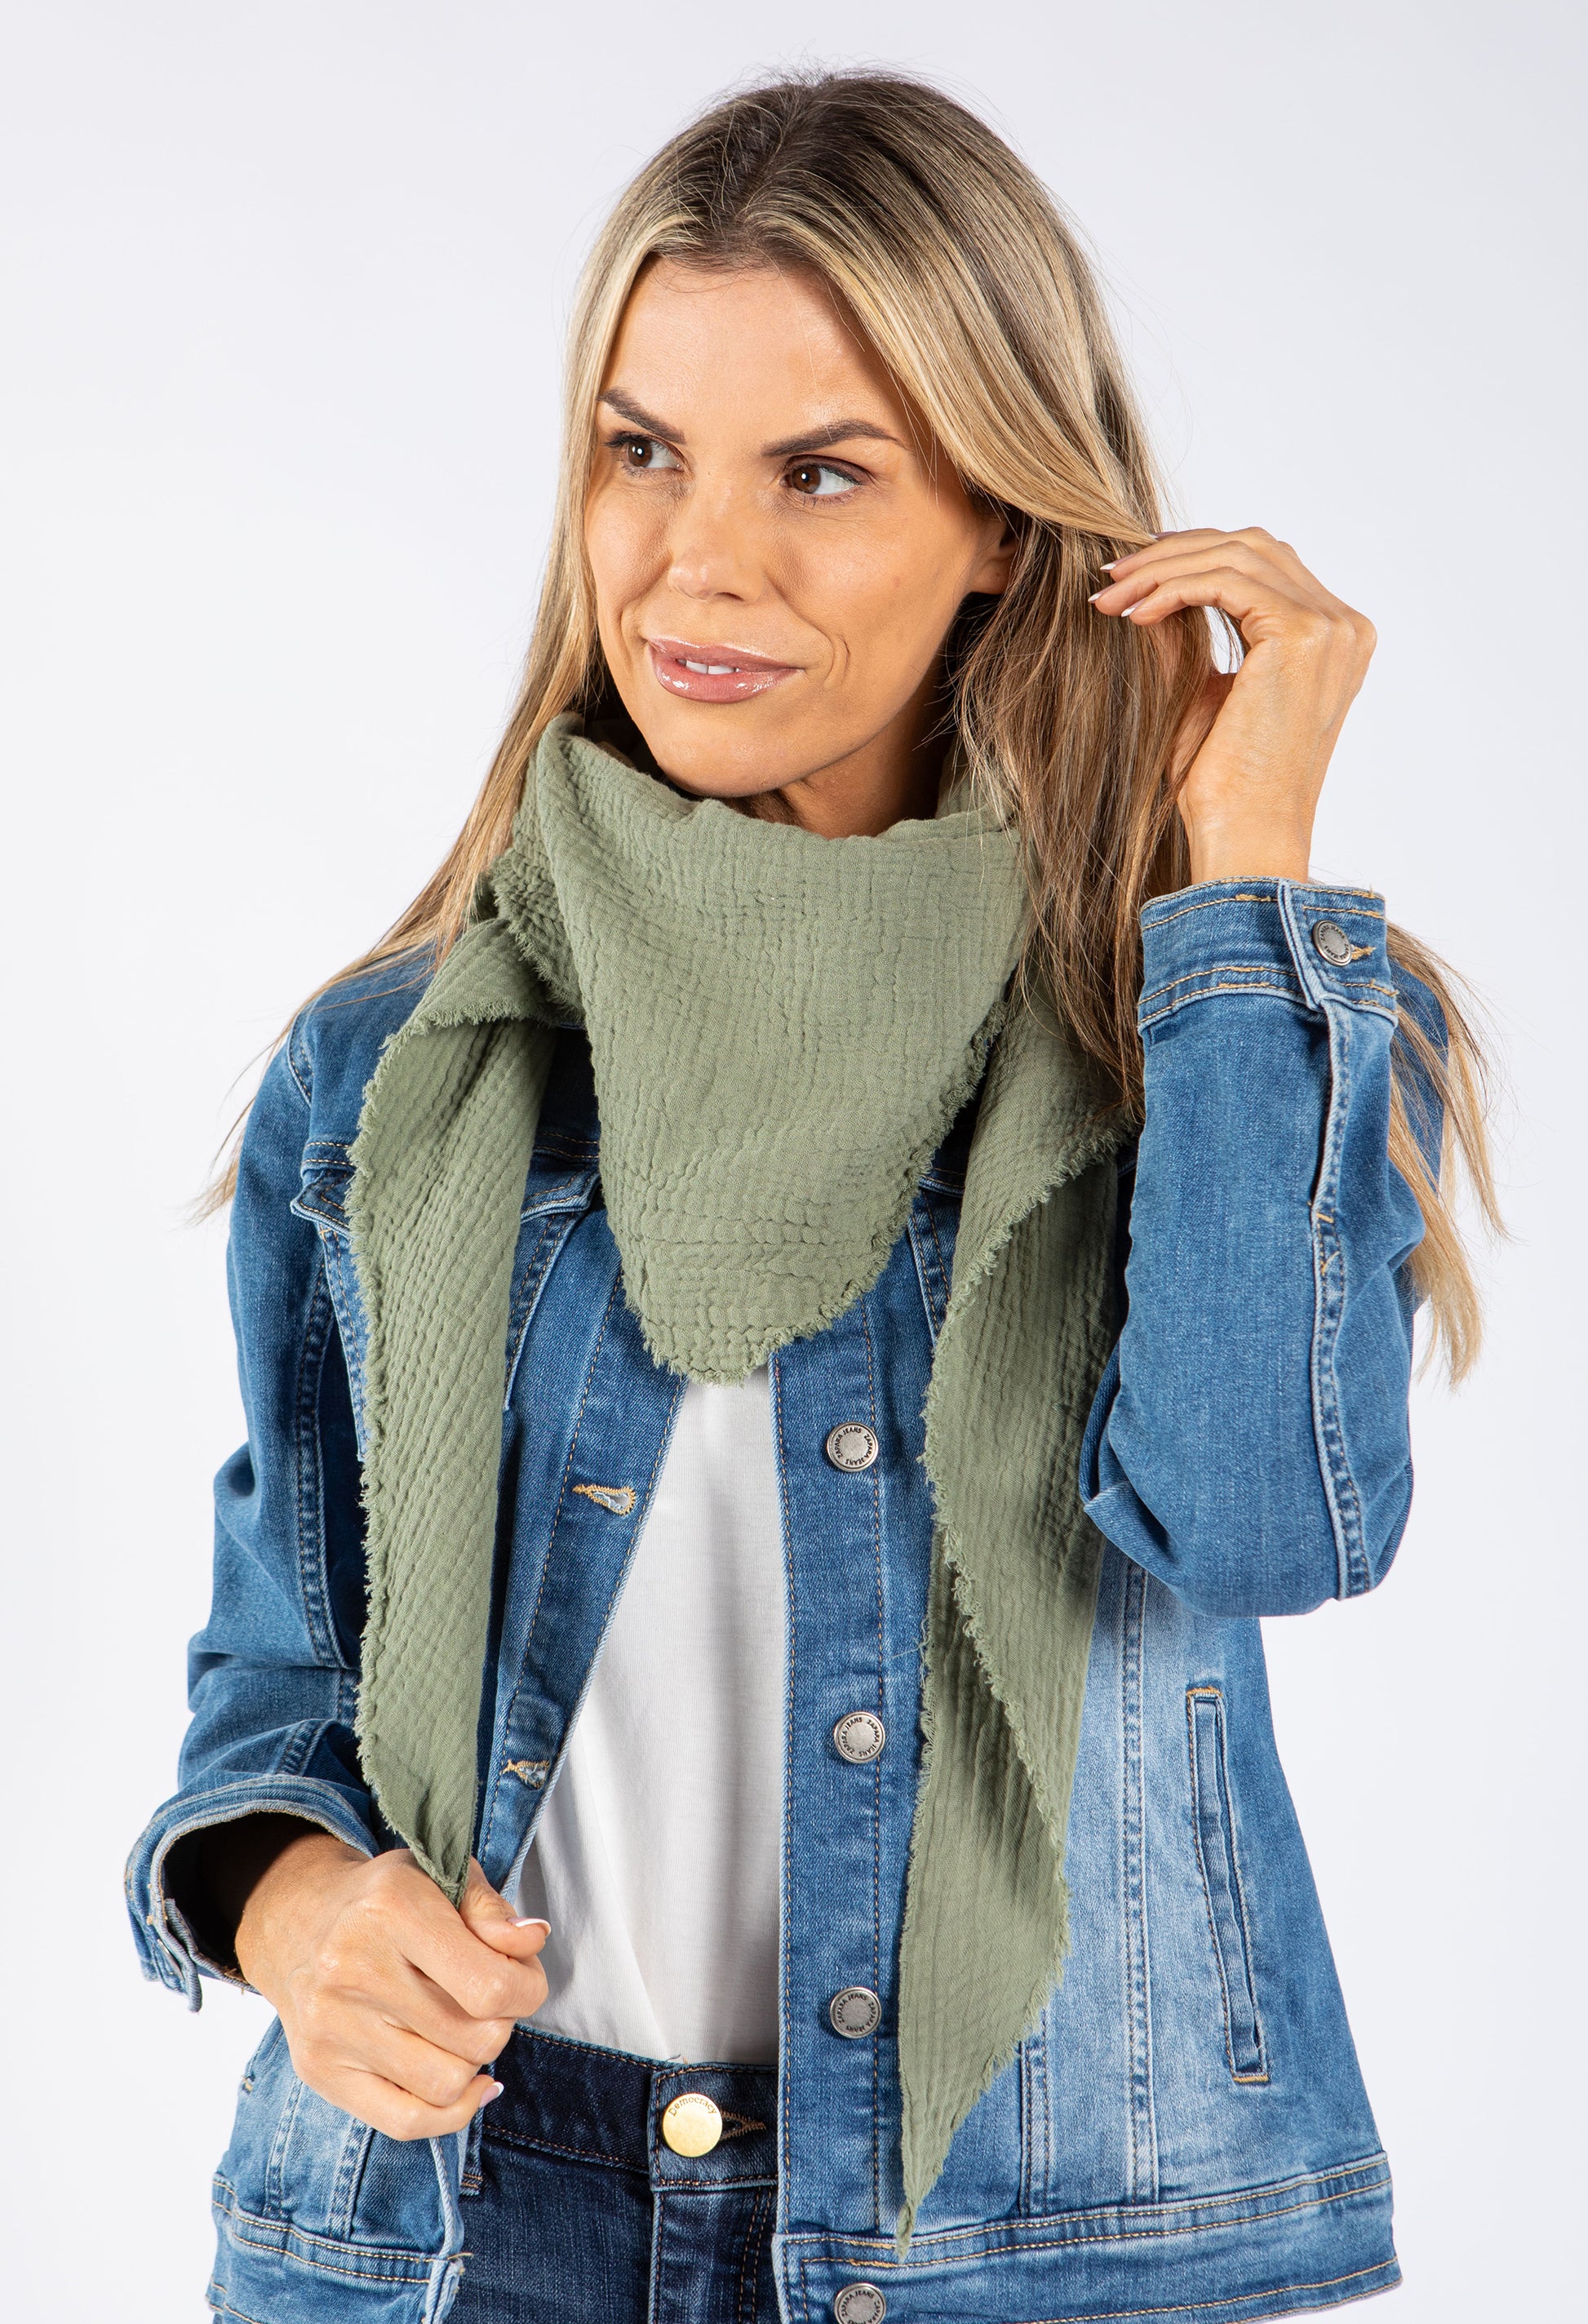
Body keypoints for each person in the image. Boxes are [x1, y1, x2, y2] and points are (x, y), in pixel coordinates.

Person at [126, 68, 1495, 2324]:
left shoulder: (1215, 1031)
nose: (698, 560)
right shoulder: (397, 1069)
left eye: (822, 472)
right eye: (641, 449)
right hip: (458, 2227)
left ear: (1005, 522)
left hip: (1023, 2241)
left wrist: (1242, 876)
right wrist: (295, 1915)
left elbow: (1267, 1521)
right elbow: (278, 1670)